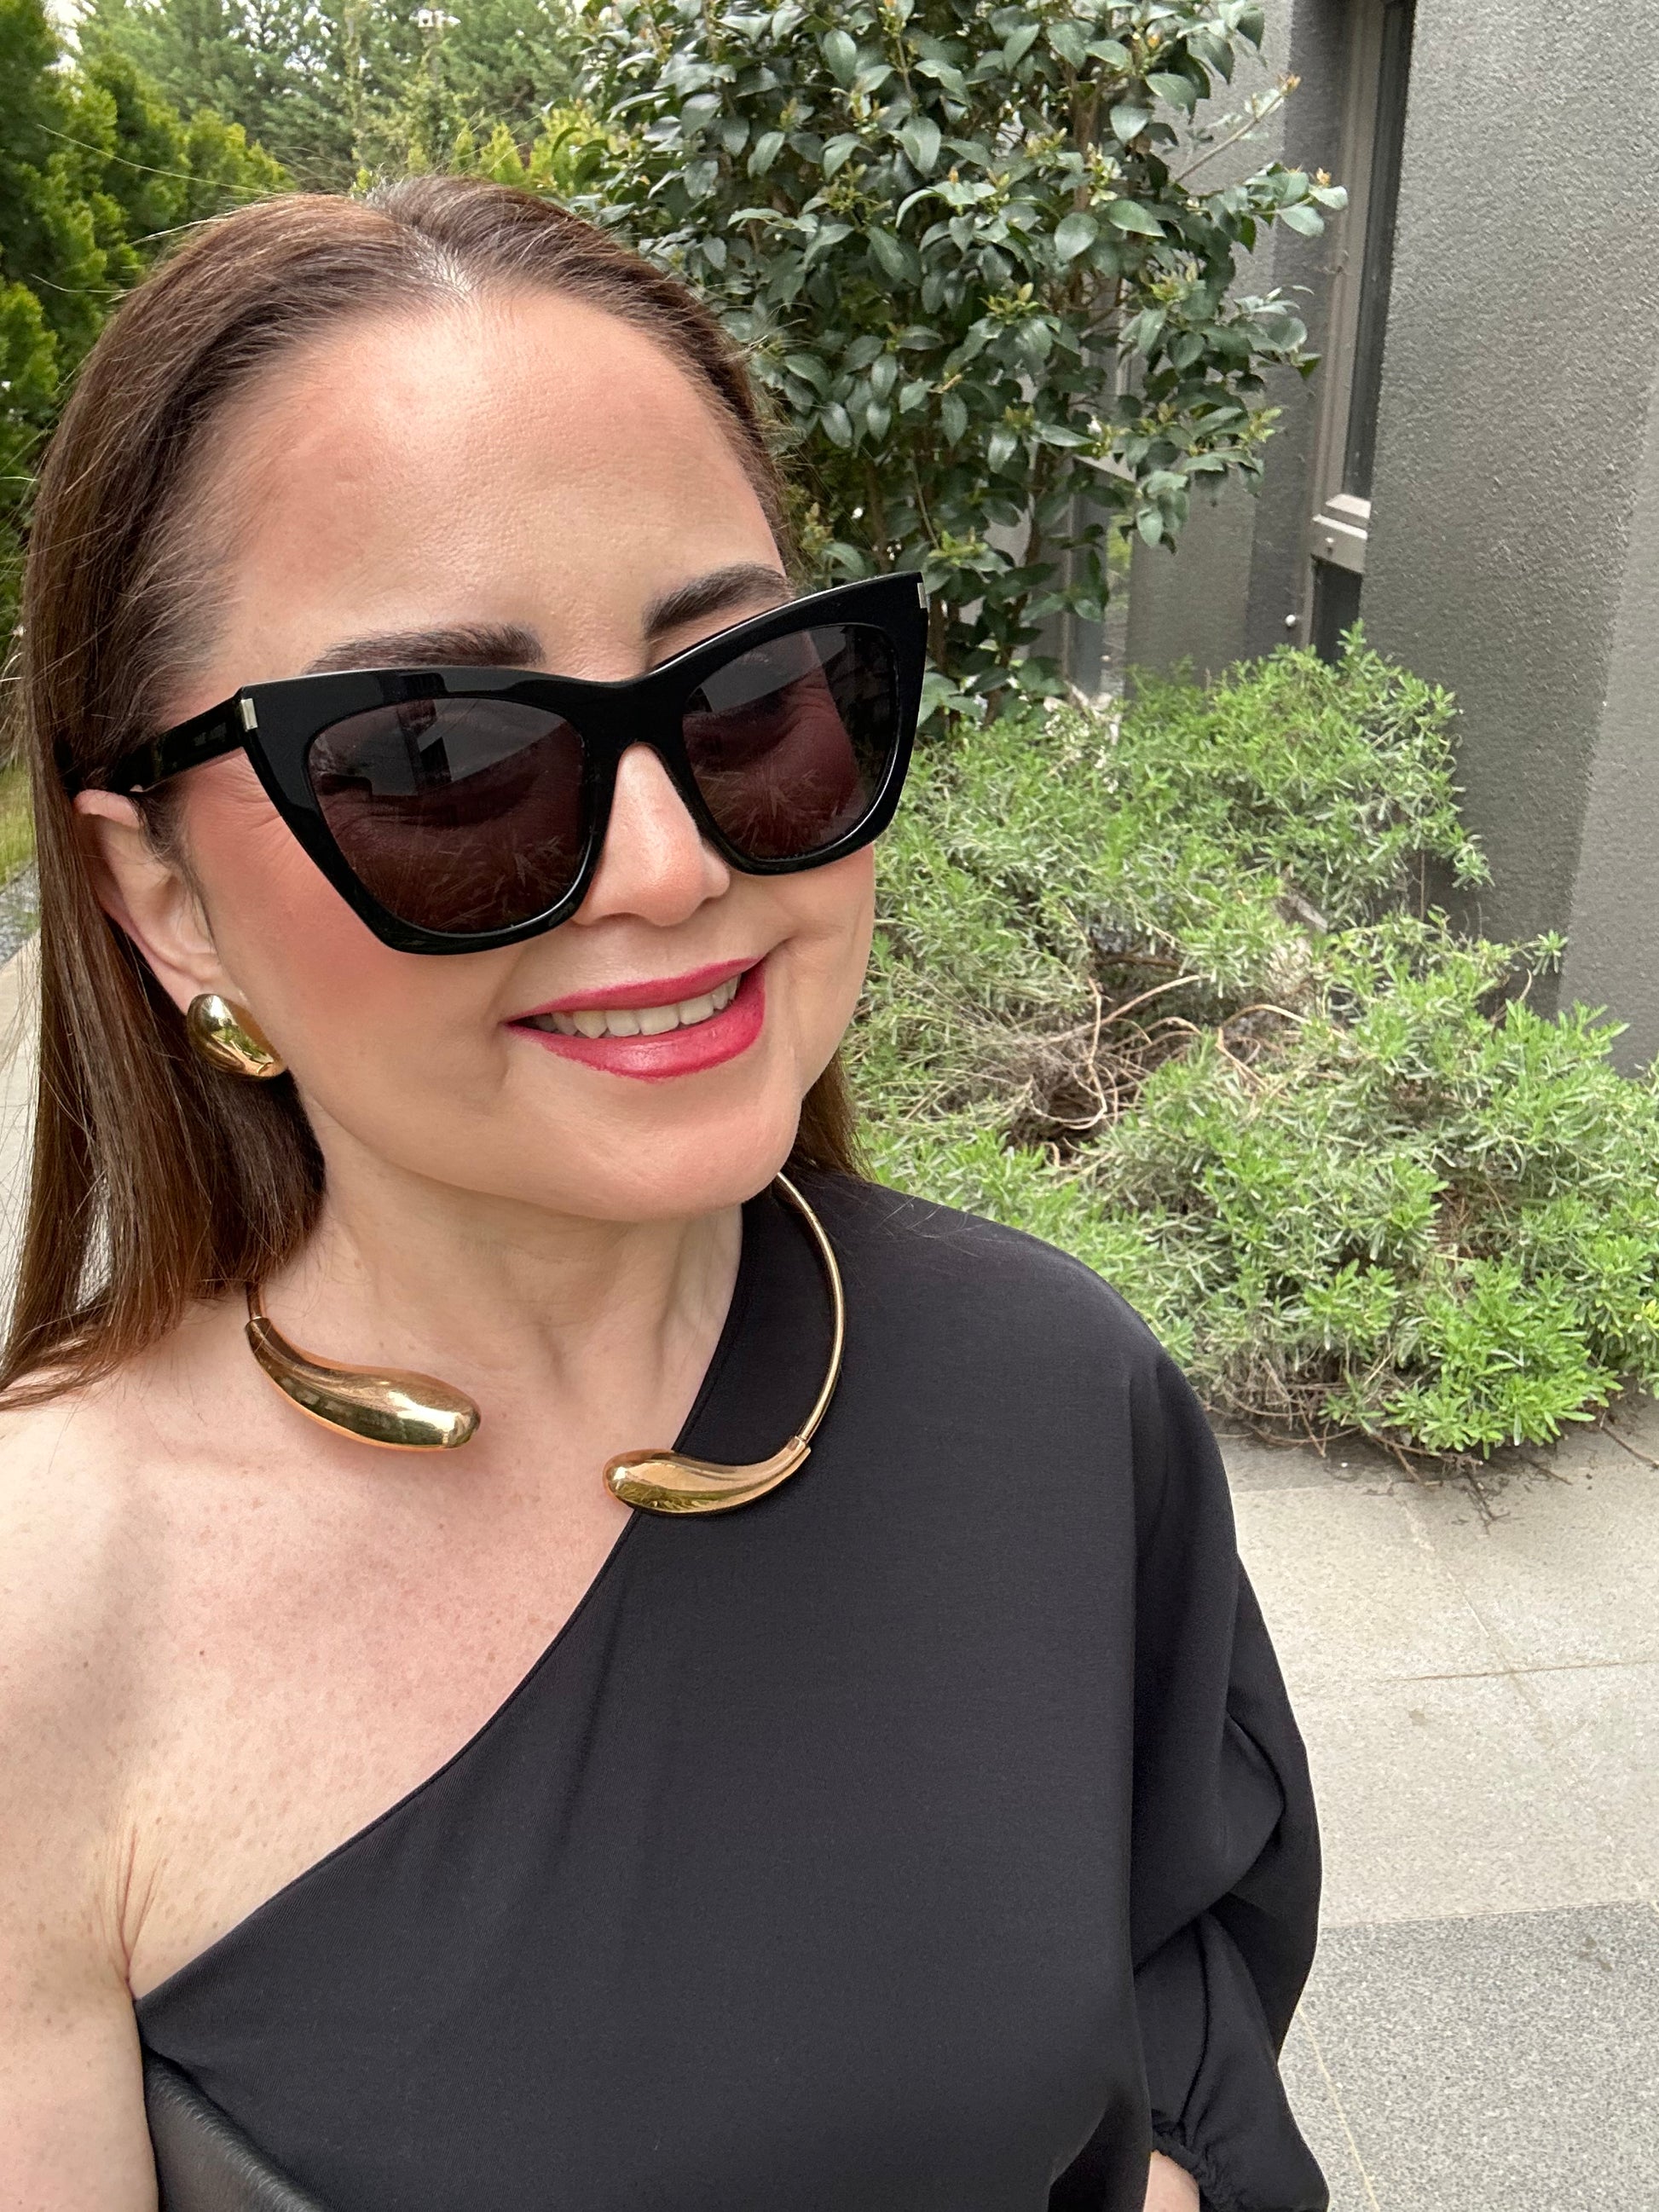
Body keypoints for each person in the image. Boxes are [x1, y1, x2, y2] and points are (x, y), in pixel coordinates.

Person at [0, 178, 1326, 2212]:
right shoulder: (44, 1613)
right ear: (160, 891)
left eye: (744, 701)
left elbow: (1173, 2039)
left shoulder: (1056, 1389)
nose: (668, 866)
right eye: (438, 756)